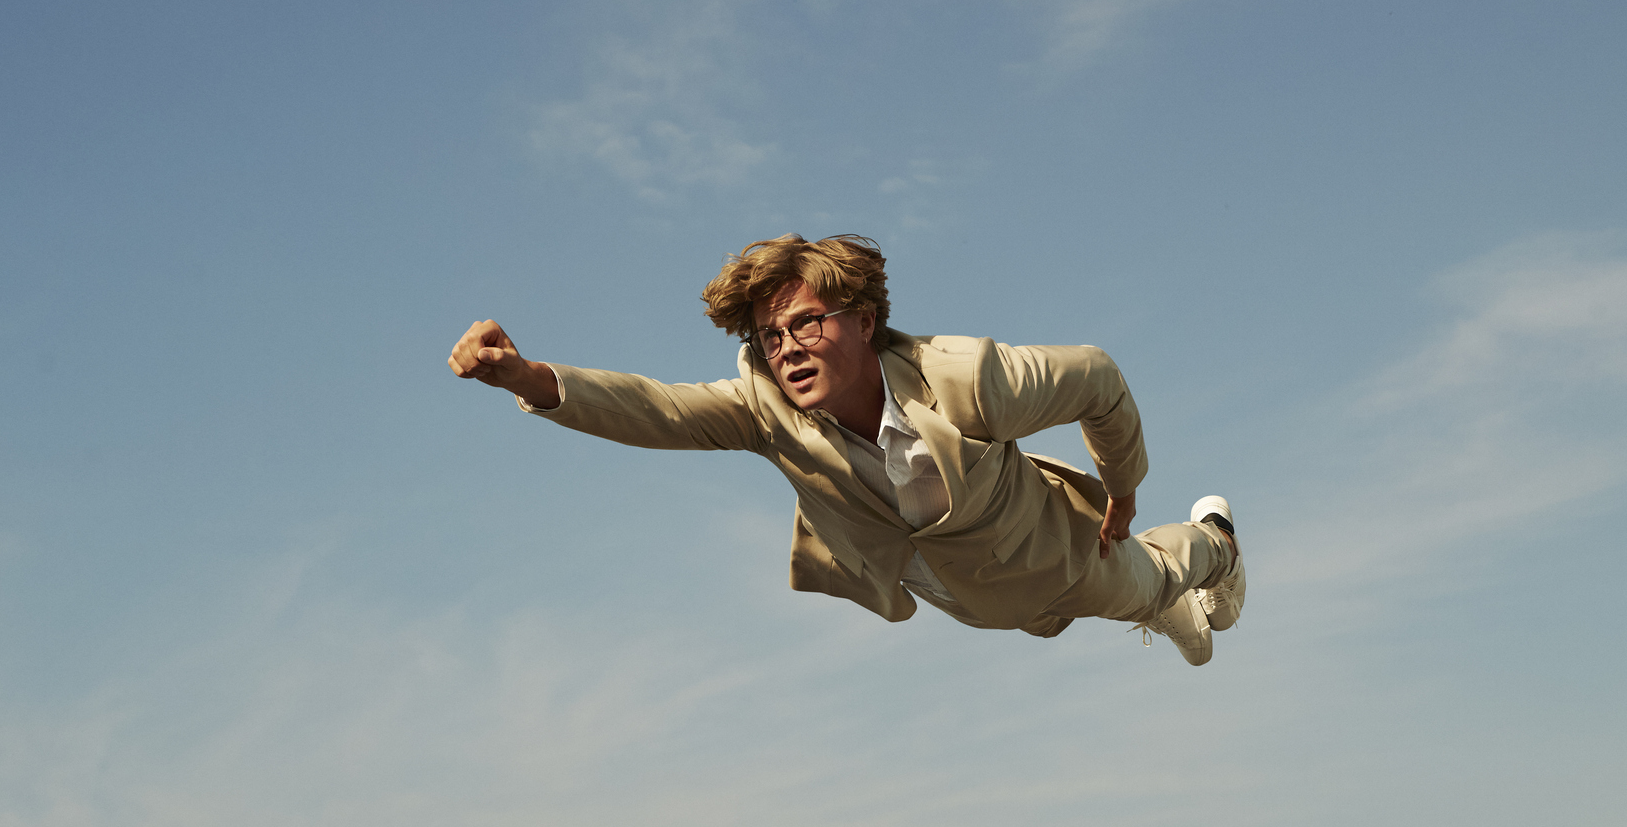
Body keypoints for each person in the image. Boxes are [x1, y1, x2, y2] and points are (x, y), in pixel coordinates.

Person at [446, 234, 1245, 664]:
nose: (786, 347)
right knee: (1054, 618)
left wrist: (1124, 487)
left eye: (806, 324)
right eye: (769, 335)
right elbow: (657, 408)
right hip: (975, 602)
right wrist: (528, 375)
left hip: (1052, 558)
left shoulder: (967, 379)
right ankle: (1163, 598)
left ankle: (1214, 549)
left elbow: (1098, 380)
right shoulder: (764, 411)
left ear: (863, 321)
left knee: (1145, 580)